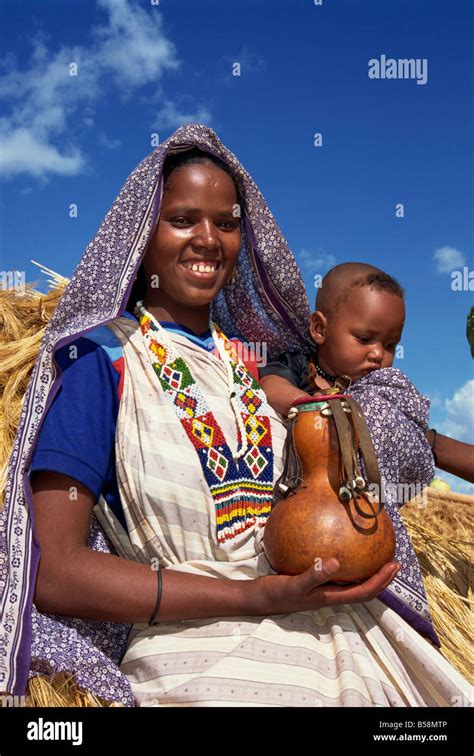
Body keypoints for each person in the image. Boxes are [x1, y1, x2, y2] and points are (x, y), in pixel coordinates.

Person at [1, 125, 470, 708]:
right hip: (197, 660)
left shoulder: (258, 370)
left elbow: (398, 446)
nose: (208, 239)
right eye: (183, 219)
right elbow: (57, 572)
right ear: (141, 233)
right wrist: (259, 599)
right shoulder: (104, 362)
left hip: (351, 640)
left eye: (226, 223)